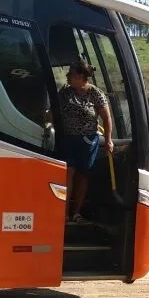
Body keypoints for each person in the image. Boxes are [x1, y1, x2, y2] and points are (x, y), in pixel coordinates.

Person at [58, 61, 113, 224]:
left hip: (87, 141)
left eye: (71, 74)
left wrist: (108, 139)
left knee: (83, 176)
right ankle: (64, 213)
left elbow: (106, 118)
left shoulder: (95, 93)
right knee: (68, 174)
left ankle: (76, 213)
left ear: (81, 77)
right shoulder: (65, 93)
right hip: (68, 139)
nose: (68, 77)